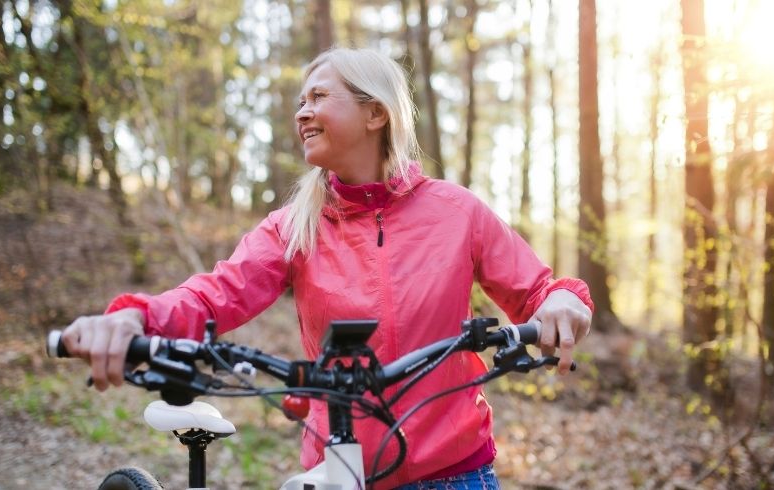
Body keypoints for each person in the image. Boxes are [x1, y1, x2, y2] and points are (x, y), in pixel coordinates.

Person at [61, 47, 594, 489]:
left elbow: (541, 291)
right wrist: (135, 319)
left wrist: (566, 299)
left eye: (318, 97)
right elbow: (213, 295)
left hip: (454, 472)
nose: (301, 112)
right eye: (300, 101)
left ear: (375, 113)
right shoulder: (295, 225)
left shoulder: (456, 212)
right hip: (338, 469)